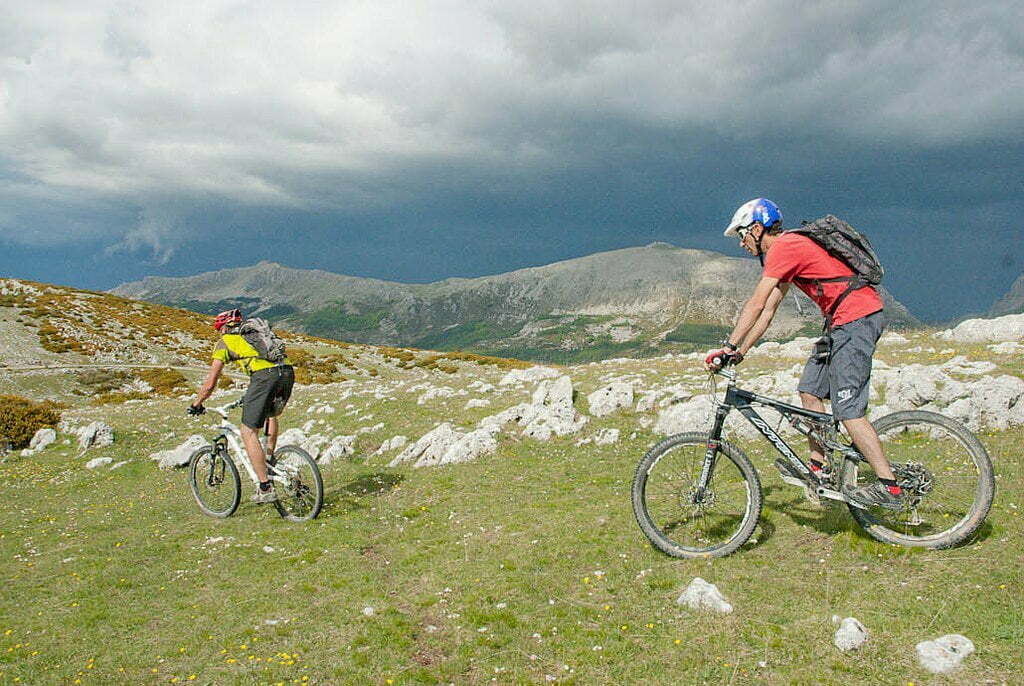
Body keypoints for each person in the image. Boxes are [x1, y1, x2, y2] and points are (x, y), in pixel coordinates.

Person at [704, 198, 903, 510]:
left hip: (857, 319)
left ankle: (889, 487)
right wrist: (739, 352)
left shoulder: (785, 248)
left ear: (757, 228)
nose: (741, 243)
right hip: (840, 323)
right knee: (810, 392)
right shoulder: (784, 253)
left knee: (849, 410)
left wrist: (727, 347)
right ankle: (819, 468)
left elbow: (756, 303)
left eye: (742, 235)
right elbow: (769, 311)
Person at [188, 308, 294, 503]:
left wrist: (197, 403)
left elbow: (211, 382)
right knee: (271, 415)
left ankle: (264, 487)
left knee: (248, 431)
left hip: (265, 377)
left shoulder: (225, 342)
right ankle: (268, 460)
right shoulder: (256, 334)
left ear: (222, 329)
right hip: (286, 372)